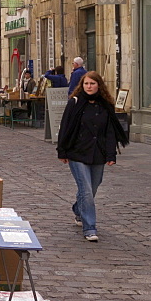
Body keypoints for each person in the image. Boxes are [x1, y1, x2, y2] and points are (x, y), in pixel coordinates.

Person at [56, 71, 129, 242]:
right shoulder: (75, 103)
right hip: (77, 152)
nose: (89, 87)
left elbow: (110, 132)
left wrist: (111, 154)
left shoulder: (106, 105)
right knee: (87, 191)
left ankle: (78, 209)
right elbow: (65, 127)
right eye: (86, 84)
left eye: (92, 84)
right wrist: (62, 151)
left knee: (92, 188)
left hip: (98, 153)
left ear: (99, 85)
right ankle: (90, 228)